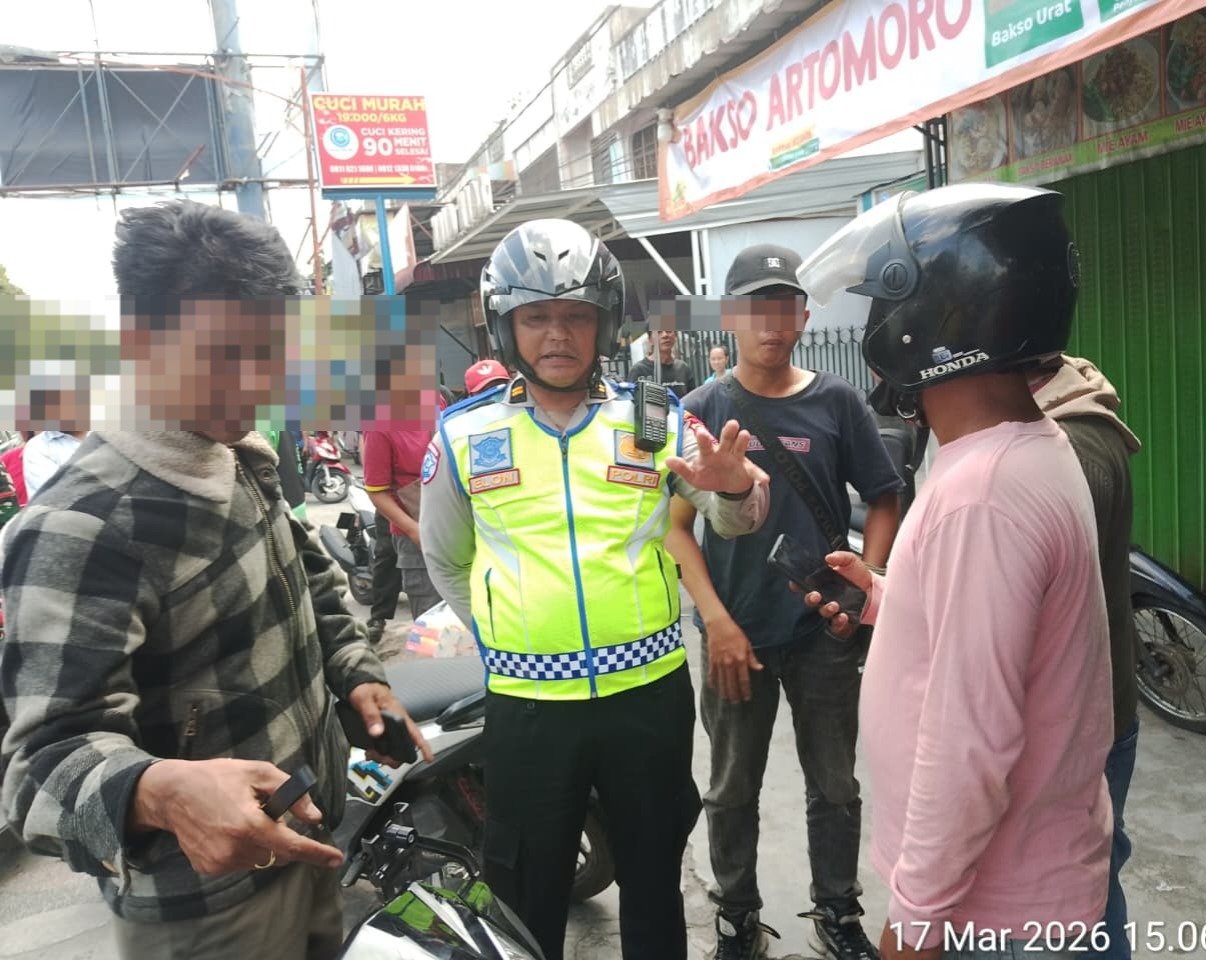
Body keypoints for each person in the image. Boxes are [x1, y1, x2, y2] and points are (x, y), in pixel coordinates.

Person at [0, 199, 430, 960]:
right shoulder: (82, 524)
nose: (257, 381)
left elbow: (312, 579)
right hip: (204, 911)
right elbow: (38, 769)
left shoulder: (239, 459)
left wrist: (357, 674)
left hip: (308, 842)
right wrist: (155, 791)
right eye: (225, 354)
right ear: (139, 340)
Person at [420, 218, 770, 960]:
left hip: (647, 700)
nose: (558, 335)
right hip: (526, 709)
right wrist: (510, 637)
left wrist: (737, 487)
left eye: (576, 316)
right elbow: (445, 560)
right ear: (506, 326)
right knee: (524, 888)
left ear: (603, 324)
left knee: (653, 876)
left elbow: (732, 521)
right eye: (536, 317)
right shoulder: (462, 434)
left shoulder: (654, 419)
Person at [796, 184, 1113, 960]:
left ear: (929, 318)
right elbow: (998, 634)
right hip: (1017, 881)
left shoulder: (982, 494)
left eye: (881, 303)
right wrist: (891, 602)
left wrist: (914, 919)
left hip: (991, 910)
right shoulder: (1023, 446)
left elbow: (969, 741)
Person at [667, 243, 902, 960]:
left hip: (823, 631)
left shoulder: (838, 402)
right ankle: (737, 918)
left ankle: (837, 912)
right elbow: (675, 531)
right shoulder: (701, 410)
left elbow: (884, 496)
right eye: (755, 308)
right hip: (735, 632)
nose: (771, 323)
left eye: (784, 307)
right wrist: (716, 622)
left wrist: (867, 580)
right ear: (729, 317)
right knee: (731, 788)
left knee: (834, 784)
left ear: (803, 316)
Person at [1028, 355, 1140, 960]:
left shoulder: (1069, 450)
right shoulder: (1073, 416)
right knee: (1094, 877)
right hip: (1094, 714)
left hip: (1078, 727)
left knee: (1076, 897)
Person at [363, 422, 439, 619]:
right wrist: (414, 531)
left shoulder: (439, 408)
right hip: (416, 539)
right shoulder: (379, 428)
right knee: (432, 619)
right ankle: (379, 618)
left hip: (455, 530)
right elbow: (376, 492)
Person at [629, 328, 695, 397]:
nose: (665, 335)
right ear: (650, 339)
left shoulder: (683, 368)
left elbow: (692, 400)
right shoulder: (639, 370)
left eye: (669, 331)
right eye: (659, 332)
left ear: (675, 336)